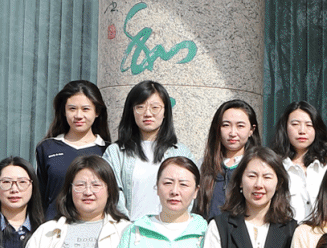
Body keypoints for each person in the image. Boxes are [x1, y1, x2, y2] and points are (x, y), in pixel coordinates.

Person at [102, 81, 194, 221]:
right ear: (132, 111)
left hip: (168, 228)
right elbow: (111, 193)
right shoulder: (115, 153)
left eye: (155, 107)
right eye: (140, 107)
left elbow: (190, 194)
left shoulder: (181, 152)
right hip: (129, 228)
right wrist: (128, 226)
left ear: (165, 112)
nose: (148, 113)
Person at [34, 80, 111, 218]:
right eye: (72, 109)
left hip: (95, 227)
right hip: (55, 227)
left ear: (97, 112)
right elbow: (39, 198)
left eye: (85, 109)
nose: (78, 115)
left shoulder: (109, 151)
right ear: (64, 111)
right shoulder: (47, 148)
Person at [194, 98, 260, 219]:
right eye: (226, 125)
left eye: (240, 126)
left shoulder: (258, 165)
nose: (233, 133)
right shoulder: (203, 164)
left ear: (251, 130)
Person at [273, 100, 327, 224]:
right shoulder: (275, 167)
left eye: (309, 125)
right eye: (295, 124)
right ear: (285, 128)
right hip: (287, 233)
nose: (302, 130)